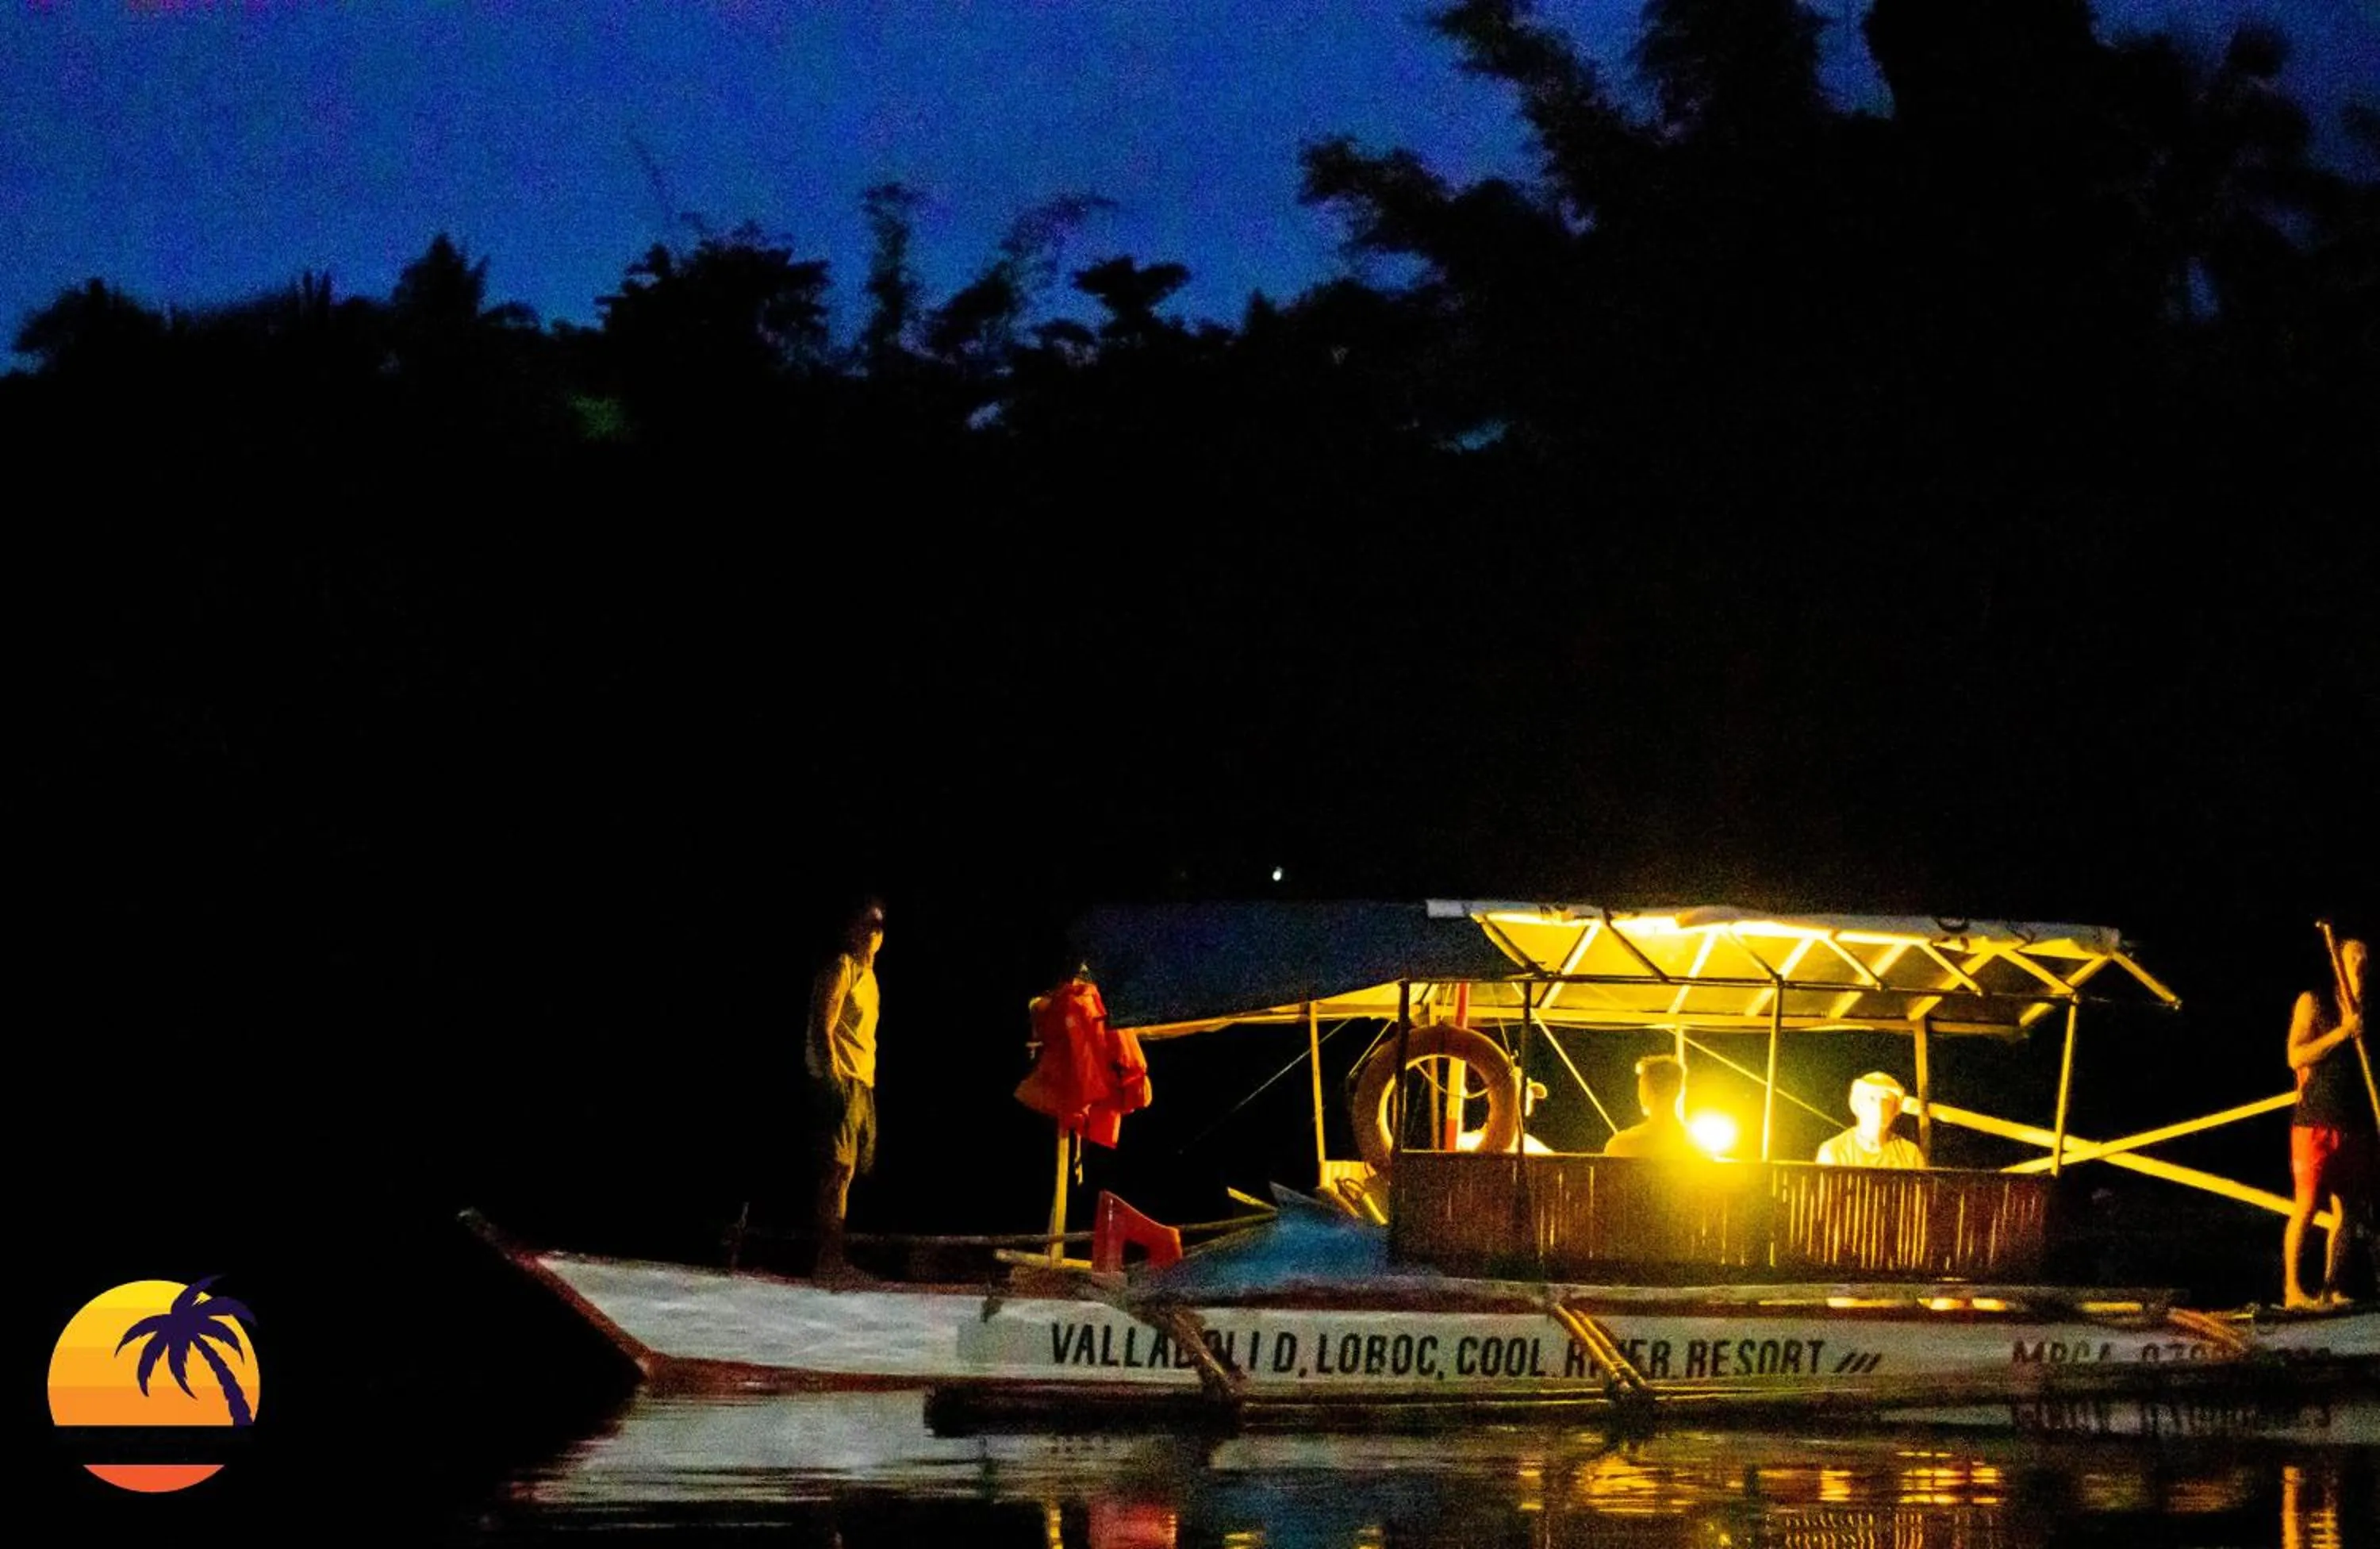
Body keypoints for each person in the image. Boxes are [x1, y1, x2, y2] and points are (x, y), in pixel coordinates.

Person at [2285, 936, 2371, 1309]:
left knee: (2347, 1210)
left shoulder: (2370, 1011)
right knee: (2306, 1204)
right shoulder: (2315, 1001)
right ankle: (2293, 1289)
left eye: (2366, 962)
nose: (2362, 968)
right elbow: (2296, 1055)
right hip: (2316, 1119)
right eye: (2355, 960)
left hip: (2355, 1123)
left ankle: (2330, 1288)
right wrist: (2342, 1032)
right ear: (2340, 961)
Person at [805, 897, 885, 1283]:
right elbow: (825, 1025)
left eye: (880, 927)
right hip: (838, 1078)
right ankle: (827, 1261)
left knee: (849, 1172)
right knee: (835, 1170)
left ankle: (835, 1258)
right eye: (868, 925)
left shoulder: (871, 981)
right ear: (852, 929)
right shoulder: (843, 968)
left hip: (862, 1081)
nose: (875, 933)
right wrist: (834, 1079)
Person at [1815, 1071, 1925, 1168]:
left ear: (1895, 1110)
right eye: (1872, 1099)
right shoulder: (1834, 1151)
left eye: (1887, 1101)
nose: (1879, 1107)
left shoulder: (1910, 1154)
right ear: (1857, 1105)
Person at [1603, 1054, 1702, 1159]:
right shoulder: (1697, 1146)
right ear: (1680, 1091)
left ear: (1645, 1091)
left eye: (1641, 1086)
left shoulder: (1622, 1144)